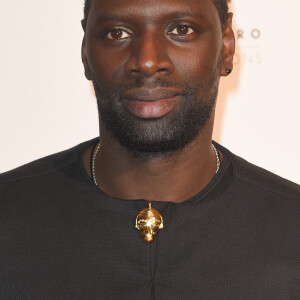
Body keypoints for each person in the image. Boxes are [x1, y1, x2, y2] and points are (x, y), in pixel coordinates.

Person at [0, 0, 299, 298]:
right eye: (117, 33)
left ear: (227, 47)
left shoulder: (290, 230)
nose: (147, 61)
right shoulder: (9, 220)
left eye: (181, 29)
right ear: (85, 54)